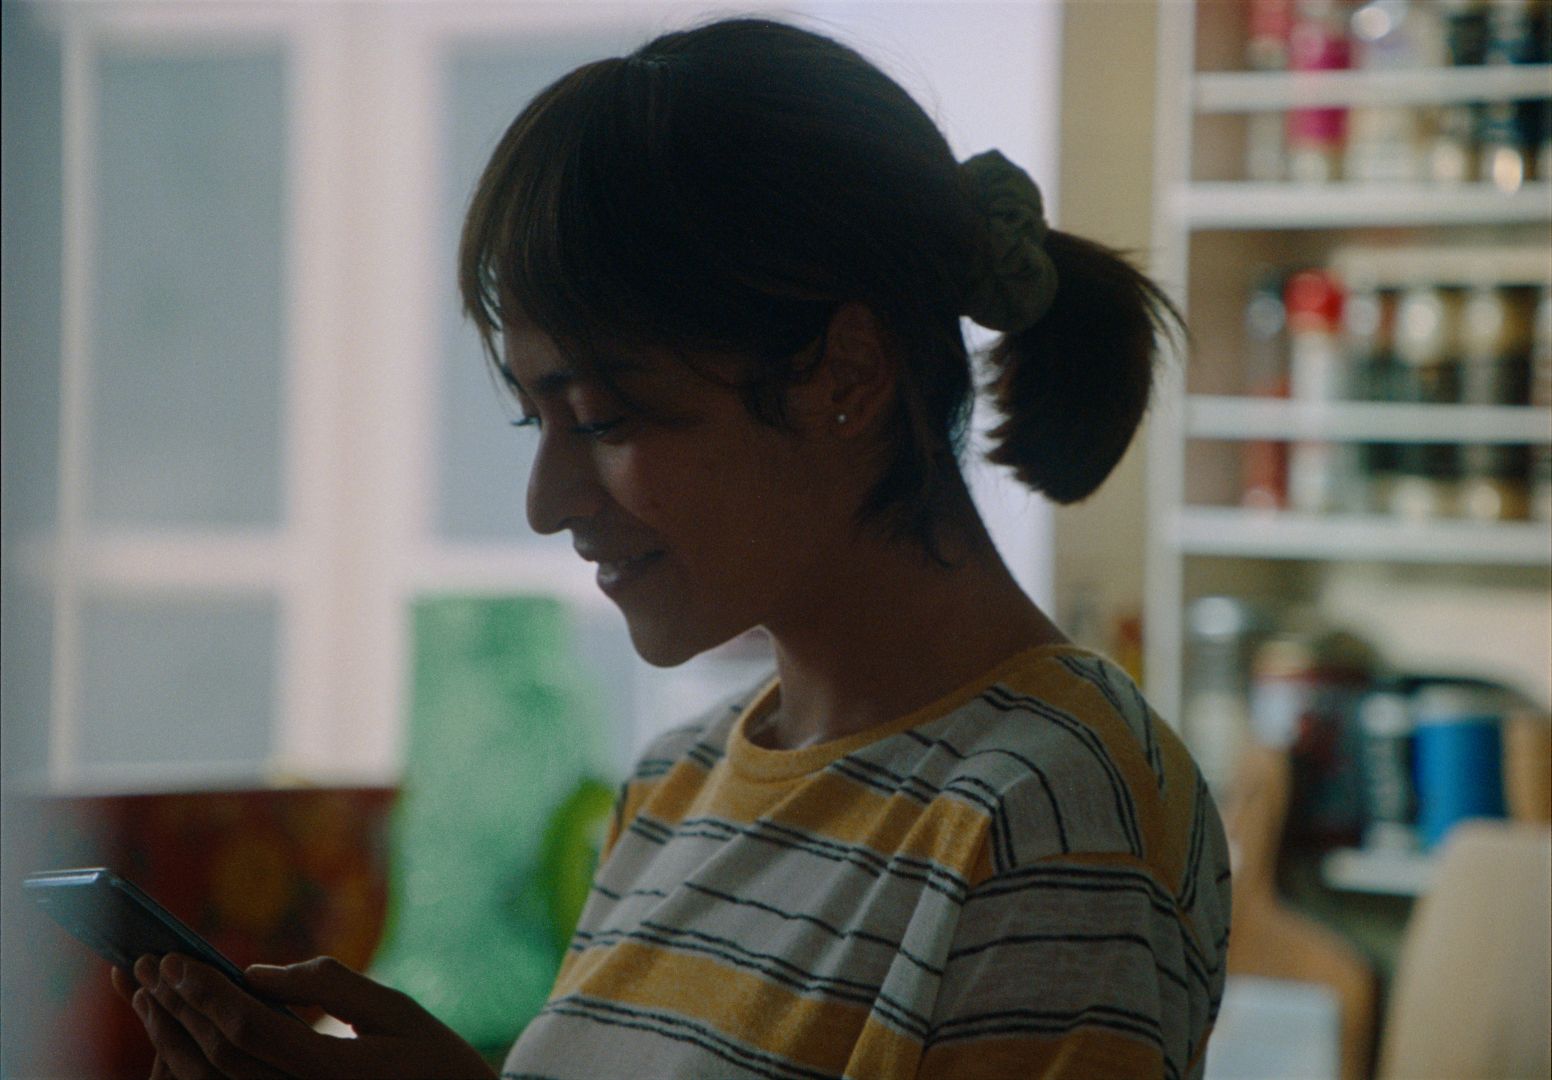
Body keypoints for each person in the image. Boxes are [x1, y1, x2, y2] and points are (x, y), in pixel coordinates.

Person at [116, 16, 1231, 1080]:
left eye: (603, 418)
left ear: (844, 372)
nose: (547, 504)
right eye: (534, 418)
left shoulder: (1050, 822)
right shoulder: (678, 779)